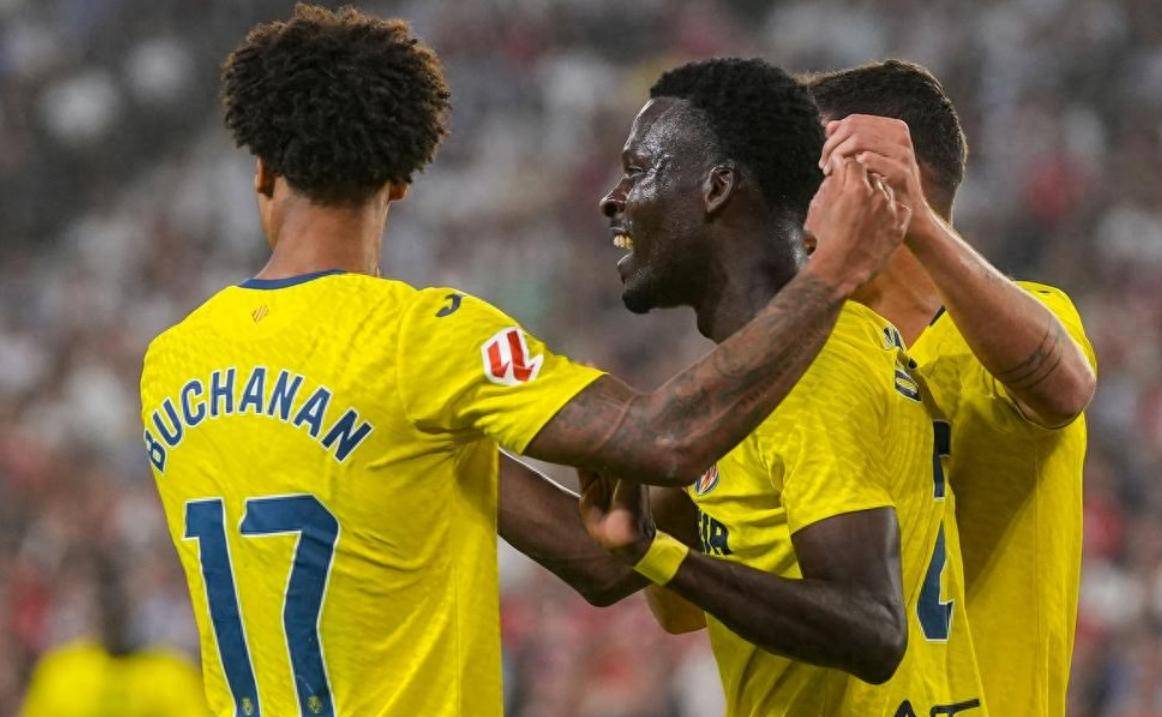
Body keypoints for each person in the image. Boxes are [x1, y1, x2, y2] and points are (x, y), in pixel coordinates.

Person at [138, 7, 907, 717]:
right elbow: (661, 439)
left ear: (261, 169)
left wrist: (651, 549)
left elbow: (602, 565)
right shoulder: (420, 341)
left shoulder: (172, 362)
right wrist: (832, 274)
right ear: (400, 180)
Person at [579, 58, 984, 716]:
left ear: (716, 188)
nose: (613, 198)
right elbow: (652, 590)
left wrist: (659, 553)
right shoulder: (757, 372)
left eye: (638, 169)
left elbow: (872, 628)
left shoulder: (813, 363)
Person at [804, 60, 1097, 717]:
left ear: (876, 178)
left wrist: (917, 223)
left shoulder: (1016, 326)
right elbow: (678, 605)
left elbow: (1067, 387)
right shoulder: (811, 364)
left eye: (803, 173)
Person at [20, 553, 211, 717]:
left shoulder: (172, 675)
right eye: (108, 603)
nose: (115, 611)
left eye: (121, 603)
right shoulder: (61, 673)